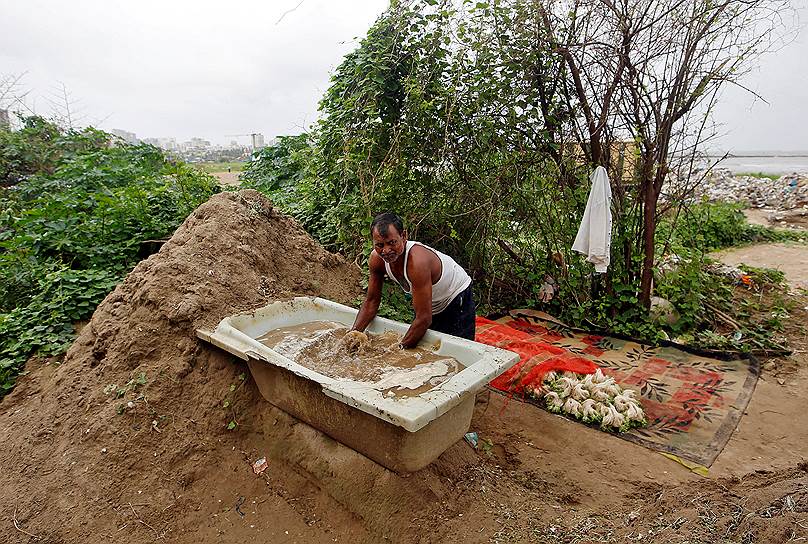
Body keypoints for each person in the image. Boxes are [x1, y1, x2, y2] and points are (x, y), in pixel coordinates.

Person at [350, 213, 476, 349]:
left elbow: (424, 319)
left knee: (458, 350)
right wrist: (352, 335)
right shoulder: (376, 260)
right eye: (379, 245)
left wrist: (396, 351)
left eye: (392, 243)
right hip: (430, 301)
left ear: (404, 236)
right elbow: (371, 302)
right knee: (426, 349)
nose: (386, 250)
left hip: (456, 296)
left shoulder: (417, 262)